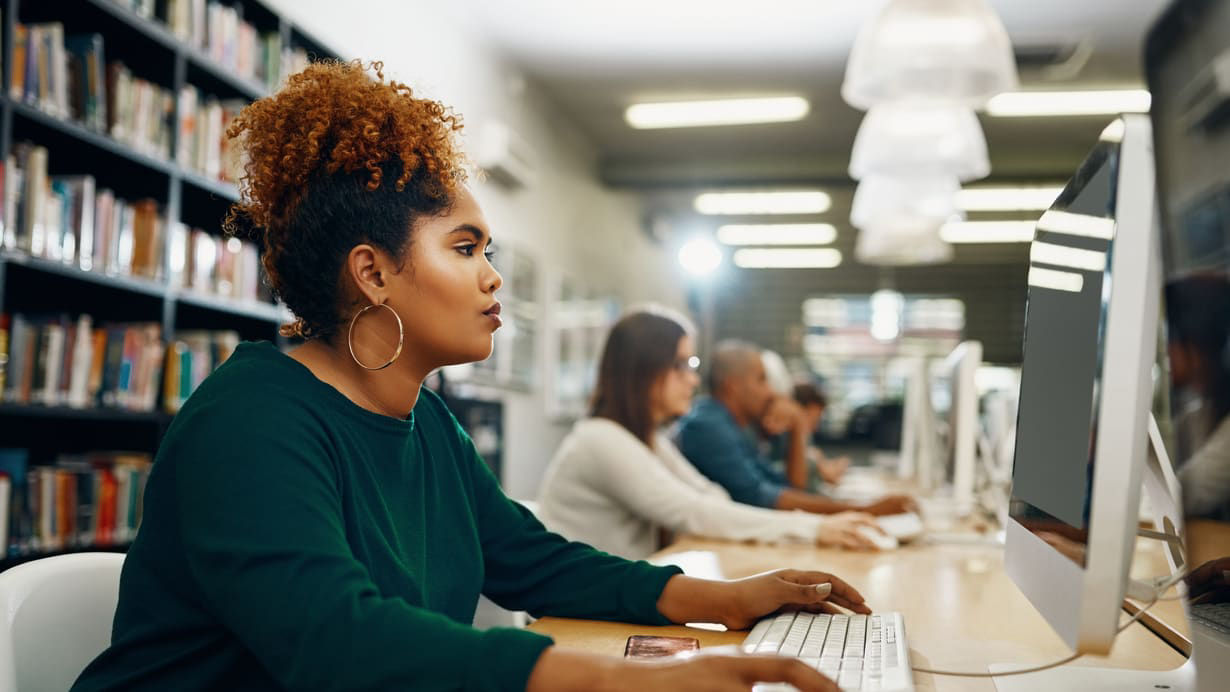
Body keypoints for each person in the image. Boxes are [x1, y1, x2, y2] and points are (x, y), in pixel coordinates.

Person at [71, 60, 859, 692]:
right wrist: (618, 680)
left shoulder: (429, 423)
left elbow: (537, 562)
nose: (492, 279)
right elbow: (339, 642)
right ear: (373, 274)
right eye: (465, 247)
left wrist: (730, 599)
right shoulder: (248, 424)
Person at [537, 308, 882, 559]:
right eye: (682, 365)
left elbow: (709, 496)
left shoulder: (645, 439)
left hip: (610, 600)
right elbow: (694, 511)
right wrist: (815, 528)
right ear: (644, 370)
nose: (693, 379)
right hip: (572, 622)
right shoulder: (601, 440)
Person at [677, 340, 914, 517]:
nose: (770, 391)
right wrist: (866, 510)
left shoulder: (736, 427)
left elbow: (786, 486)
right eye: (761, 380)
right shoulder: (708, 426)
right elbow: (765, 499)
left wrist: (799, 425)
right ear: (733, 386)